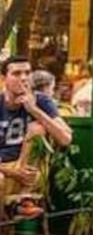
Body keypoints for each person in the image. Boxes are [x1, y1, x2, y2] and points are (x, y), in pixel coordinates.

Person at [0, 56, 73, 219]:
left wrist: (34, 111)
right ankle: (6, 231)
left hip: (29, 173)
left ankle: (22, 201)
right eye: (17, 73)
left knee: (37, 128)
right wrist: (12, 172)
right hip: (4, 169)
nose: (24, 78)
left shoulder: (41, 100)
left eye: (27, 72)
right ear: (4, 79)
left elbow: (66, 138)